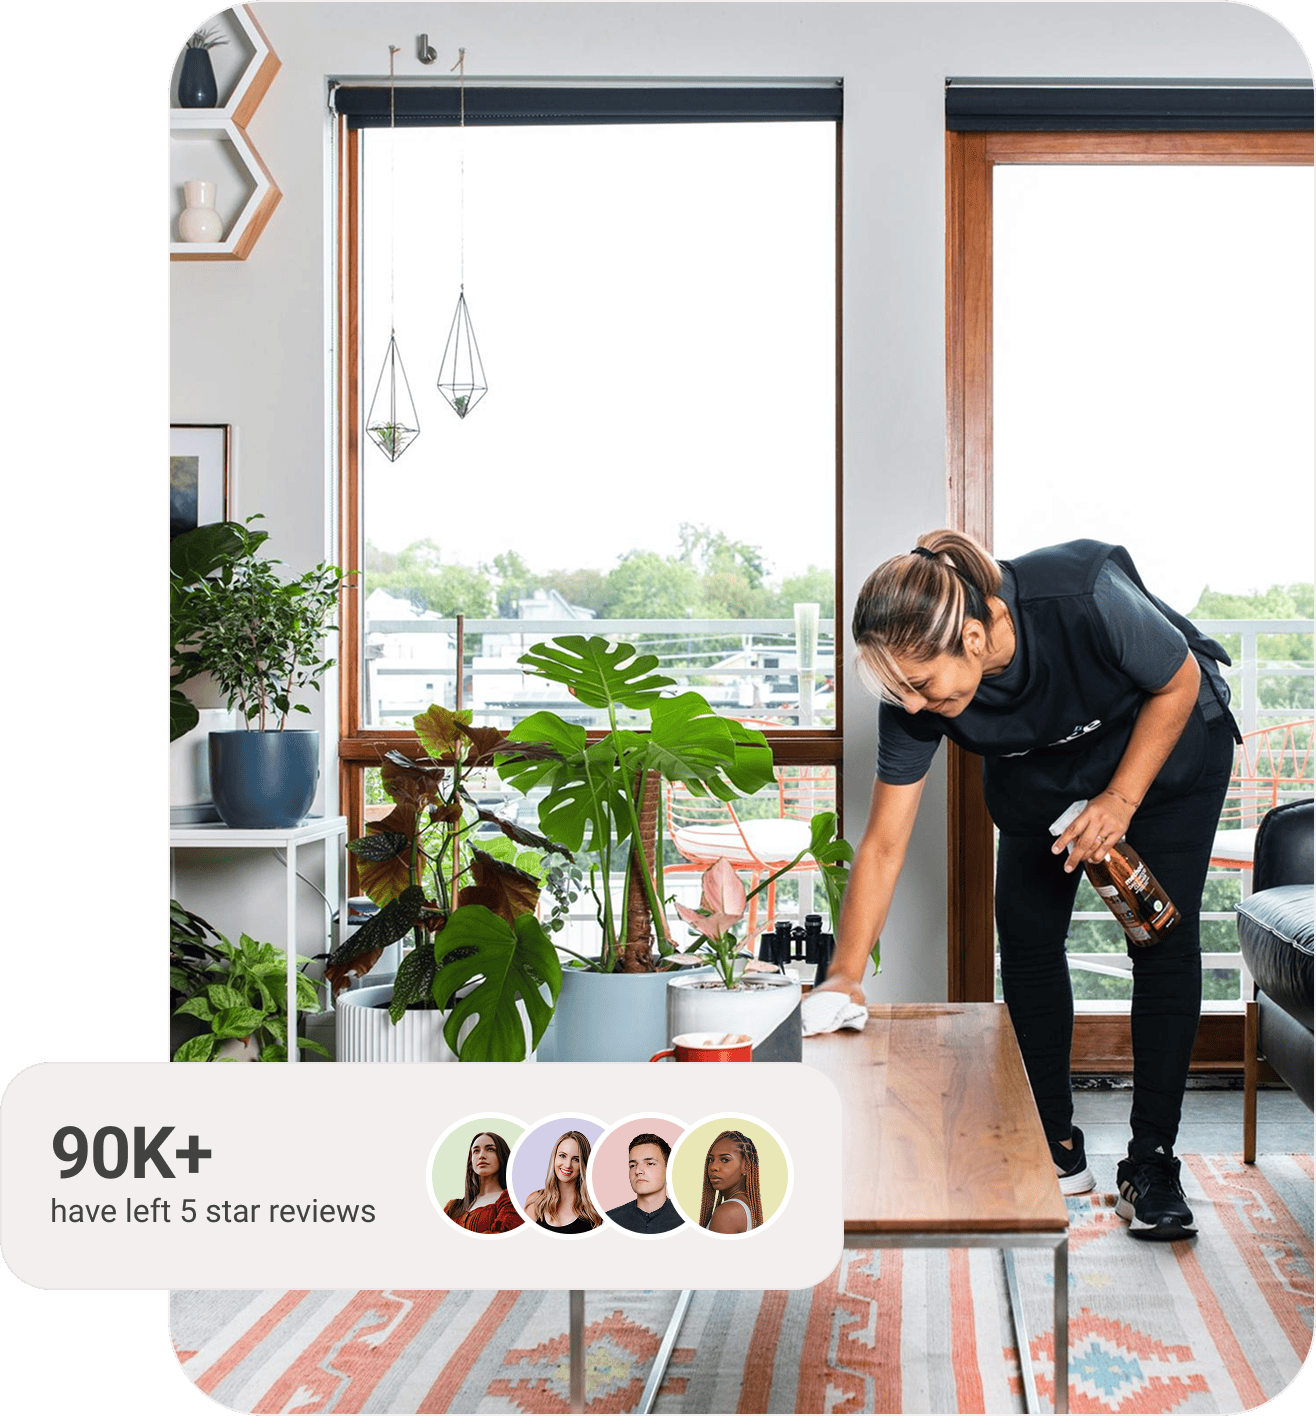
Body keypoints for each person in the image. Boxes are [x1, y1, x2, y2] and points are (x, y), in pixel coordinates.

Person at [815, 531, 1238, 1241]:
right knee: (1030, 941)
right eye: (899, 691)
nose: (913, 707)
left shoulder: (1081, 598)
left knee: (1161, 940)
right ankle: (1054, 1144)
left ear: (975, 637)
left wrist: (1120, 801)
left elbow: (1178, 680)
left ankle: (1152, 1163)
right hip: (1043, 773)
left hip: (1163, 750)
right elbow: (885, 844)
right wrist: (845, 976)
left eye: (921, 684)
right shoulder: (914, 700)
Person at [443, 1131, 524, 1234]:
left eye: (490, 1149)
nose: (481, 1156)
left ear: (502, 1155)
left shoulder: (512, 1200)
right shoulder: (452, 1208)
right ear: (471, 1161)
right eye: (476, 1151)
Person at [525, 1130, 603, 1234]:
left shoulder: (593, 1207)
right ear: (554, 1158)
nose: (567, 1165)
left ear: (583, 1165)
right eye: (562, 1156)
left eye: (576, 1159)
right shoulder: (535, 1201)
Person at [606, 1133, 684, 1234]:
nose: (638, 1170)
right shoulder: (609, 1220)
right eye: (633, 1165)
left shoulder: (686, 1220)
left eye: (650, 1163)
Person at [700, 1130, 765, 1234]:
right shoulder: (748, 1206)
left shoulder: (727, 1212)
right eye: (711, 1160)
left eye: (725, 1160)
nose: (713, 1167)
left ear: (746, 1167)